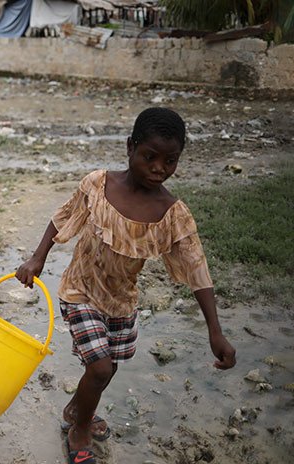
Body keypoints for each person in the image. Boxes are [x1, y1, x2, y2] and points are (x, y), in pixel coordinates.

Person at [15, 107, 236, 464]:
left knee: (108, 369)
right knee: (100, 367)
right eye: (150, 156)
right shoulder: (98, 185)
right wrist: (38, 258)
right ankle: (79, 430)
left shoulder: (172, 212)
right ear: (130, 147)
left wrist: (215, 331)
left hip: (121, 301)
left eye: (170, 161)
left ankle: (76, 410)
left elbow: (197, 269)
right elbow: (62, 217)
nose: (158, 168)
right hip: (81, 290)